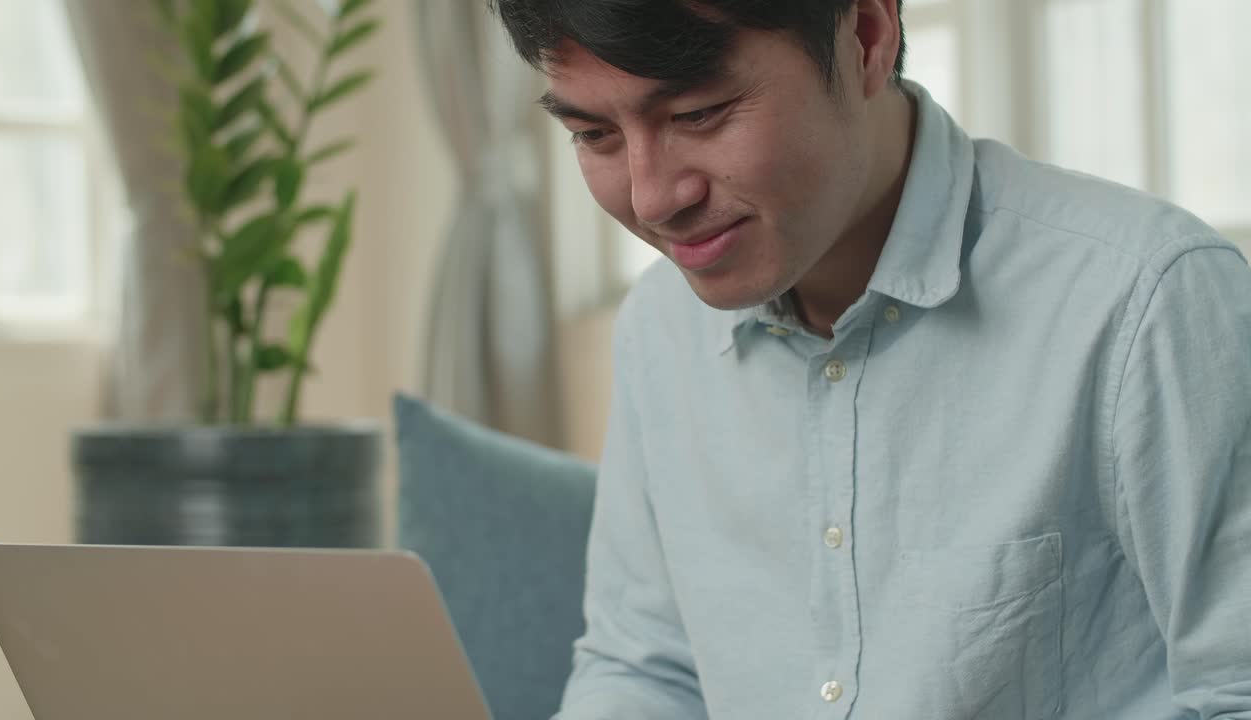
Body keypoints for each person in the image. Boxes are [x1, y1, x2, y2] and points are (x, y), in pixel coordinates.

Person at [488, 0, 1251, 717]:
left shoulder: (1146, 299)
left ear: (866, 38)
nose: (653, 199)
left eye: (699, 114)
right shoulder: (659, 327)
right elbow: (644, 670)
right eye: (595, 136)